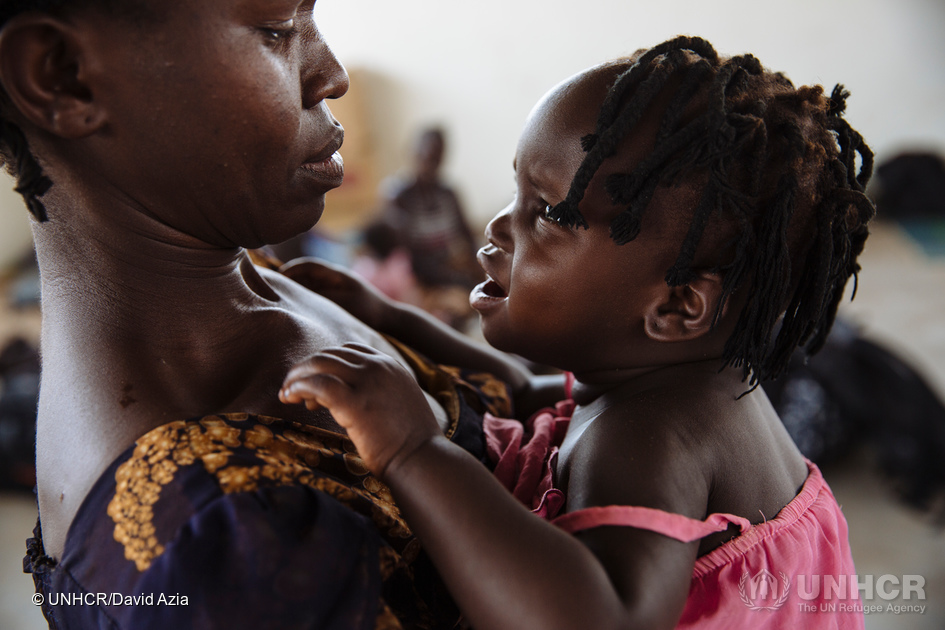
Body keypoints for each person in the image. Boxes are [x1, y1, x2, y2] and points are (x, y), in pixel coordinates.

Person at [281, 36, 875, 629]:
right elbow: (528, 394)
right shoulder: (658, 381)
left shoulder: (651, 437)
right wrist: (390, 317)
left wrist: (412, 452)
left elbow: (599, 618)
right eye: (519, 192)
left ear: (674, 307)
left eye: (550, 214)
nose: (497, 227)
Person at [1, 1, 556, 627]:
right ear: (63, 75)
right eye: (277, 30)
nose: (332, 73)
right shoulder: (219, 546)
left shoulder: (262, 277)